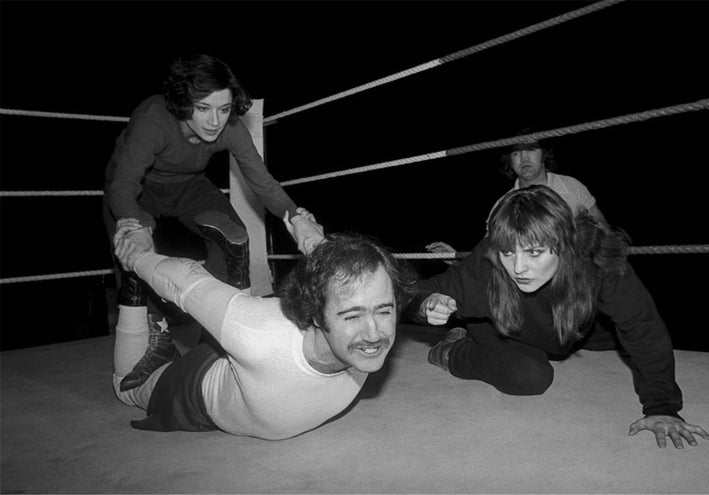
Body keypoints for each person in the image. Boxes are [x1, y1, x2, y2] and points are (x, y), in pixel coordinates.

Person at [412, 185, 709, 449]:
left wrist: (662, 407)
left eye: (534, 252)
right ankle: (453, 352)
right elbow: (416, 292)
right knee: (530, 377)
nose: (518, 268)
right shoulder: (487, 266)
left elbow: (642, 325)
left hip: (562, 325)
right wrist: (426, 304)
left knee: (614, 336)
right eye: (508, 253)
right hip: (500, 325)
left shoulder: (597, 257)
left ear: (565, 245)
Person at [102, 54, 325, 389]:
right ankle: (156, 334)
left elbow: (262, 182)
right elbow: (123, 185)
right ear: (181, 102)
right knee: (133, 252)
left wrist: (298, 219)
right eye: (203, 108)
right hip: (137, 191)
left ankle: (217, 330)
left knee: (235, 236)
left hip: (188, 186)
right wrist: (133, 224)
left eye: (223, 108)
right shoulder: (154, 118)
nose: (215, 121)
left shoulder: (230, 126)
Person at [111, 223, 418, 439]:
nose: (374, 332)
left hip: (243, 367)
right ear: (314, 313)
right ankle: (134, 289)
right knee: (126, 387)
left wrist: (316, 241)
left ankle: (237, 276)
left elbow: (349, 286)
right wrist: (136, 258)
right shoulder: (258, 333)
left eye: (384, 310)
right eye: (353, 316)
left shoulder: (361, 343)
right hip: (194, 392)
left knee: (234, 333)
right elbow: (186, 281)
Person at [426, 135, 605, 262]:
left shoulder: (572, 186)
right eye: (516, 153)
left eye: (531, 149)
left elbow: (604, 231)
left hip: (579, 282)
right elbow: (487, 255)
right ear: (509, 161)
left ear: (544, 153)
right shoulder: (503, 204)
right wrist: (457, 258)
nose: (524, 158)